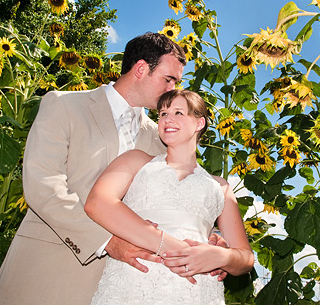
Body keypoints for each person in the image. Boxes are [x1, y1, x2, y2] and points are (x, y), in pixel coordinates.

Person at [0, 33, 225, 305]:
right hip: (46, 275)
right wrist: (107, 241)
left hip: (124, 287)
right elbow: (43, 186)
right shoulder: (64, 105)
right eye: (168, 79)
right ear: (140, 69)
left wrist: (208, 241)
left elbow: (173, 203)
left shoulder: (162, 140)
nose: (173, 89)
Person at [85, 89, 254, 305]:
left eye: (178, 113)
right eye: (163, 114)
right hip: (132, 284)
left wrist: (220, 257)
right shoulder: (136, 161)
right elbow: (97, 203)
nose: (167, 119)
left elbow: (246, 258)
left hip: (196, 291)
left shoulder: (220, 187)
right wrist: (173, 247)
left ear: (199, 123)